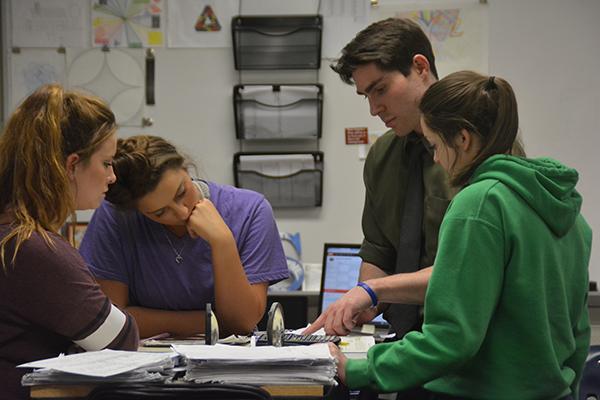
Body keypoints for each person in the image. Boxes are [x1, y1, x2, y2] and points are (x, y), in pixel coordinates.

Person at [329, 70, 592, 399]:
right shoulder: (568, 213)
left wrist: (357, 369)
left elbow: (452, 337)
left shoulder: (479, 203)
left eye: (436, 145)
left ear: (463, 139)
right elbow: (579, 333)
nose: (436, 159)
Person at [305, 17, 457, 340]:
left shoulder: (473, 144)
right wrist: (363, 304)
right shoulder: (382, 156)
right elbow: (379, 252)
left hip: (466, 339)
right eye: (366, 96)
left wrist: (373, 290)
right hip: (401, 340)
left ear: (420, 67)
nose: (374, 109)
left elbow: (467, 270)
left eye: (381, 89)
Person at [0, 84, 139, 399]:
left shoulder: (12, 233)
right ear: (72, 165)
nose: (112, 176)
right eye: (107, 162)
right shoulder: (32, 248)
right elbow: (121, 340)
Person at [79, 135, 289, 339]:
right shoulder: (115, 216)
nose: (181, 212)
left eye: (181, 192)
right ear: (136, 211)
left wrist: (222, 242)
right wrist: (209, 321)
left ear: (186, 169)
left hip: (228, 363)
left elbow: (241, 323)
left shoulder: (251, 211)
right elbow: (112, 321)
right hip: (144, 361)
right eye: (160, 213)